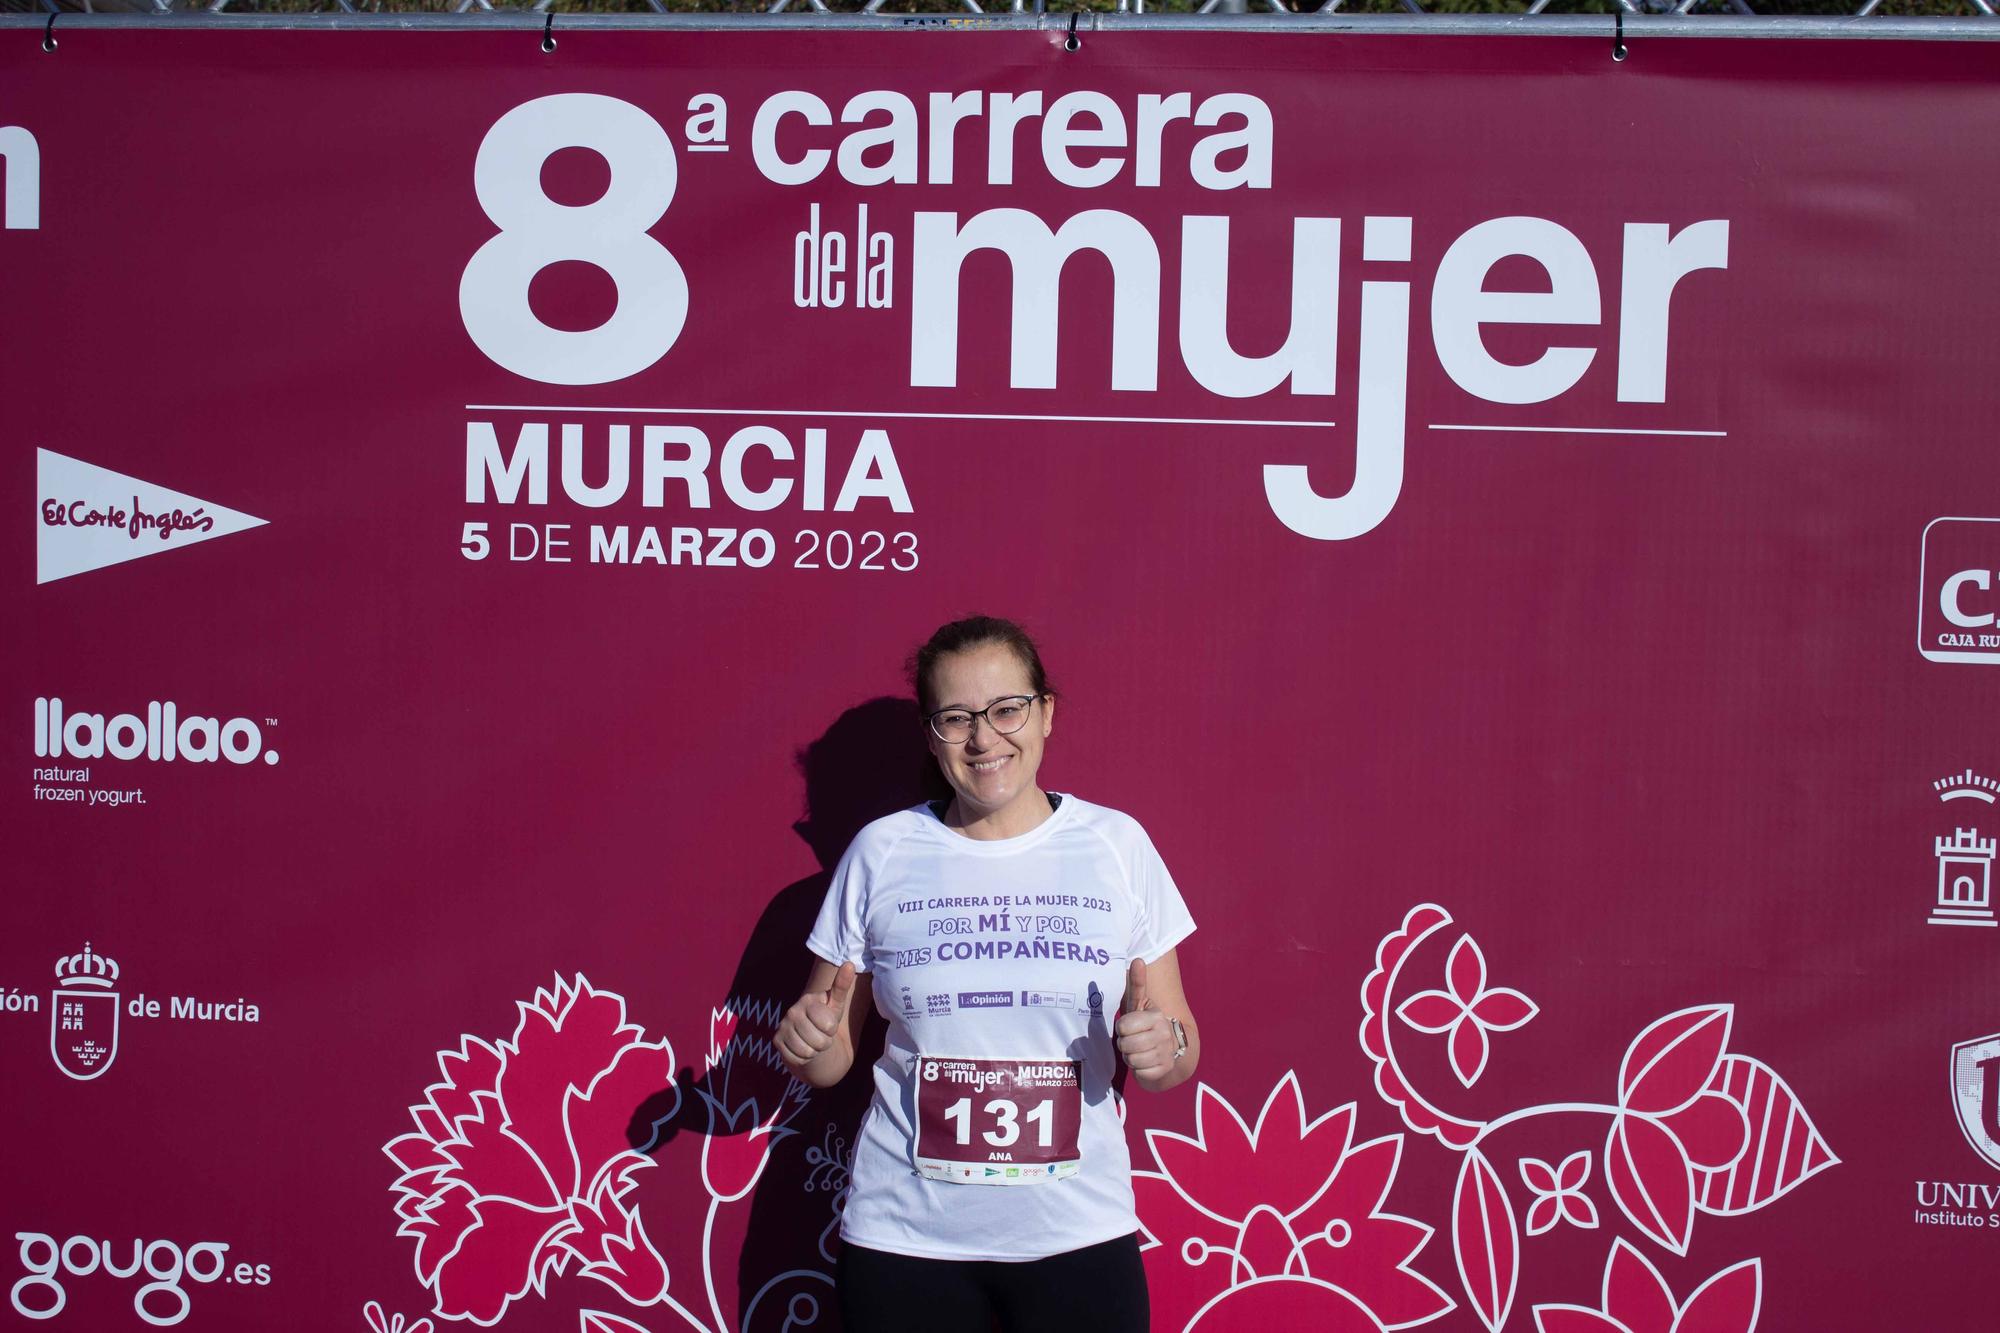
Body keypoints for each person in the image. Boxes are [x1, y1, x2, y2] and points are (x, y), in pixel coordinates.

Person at [776, 615, 1200, 1333]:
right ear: (931, 732)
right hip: (905, 1240)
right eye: (956, 717)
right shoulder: (882, 852)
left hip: (1077, 1237)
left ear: (1047, 712)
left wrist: (1167, 1050)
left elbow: (1177, 1046)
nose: (984, 738)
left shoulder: (1117, 846)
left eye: (1007, 709)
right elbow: (831, 1053)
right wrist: (811, 1044)